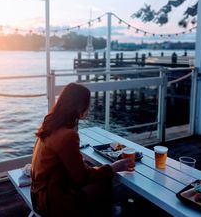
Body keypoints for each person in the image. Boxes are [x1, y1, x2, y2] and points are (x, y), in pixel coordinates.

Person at [31, 82, 134, 217]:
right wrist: (113, 167)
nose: (89, 108)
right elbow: (81, 178)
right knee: (104, 182)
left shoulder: (50, 125)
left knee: (98, 176)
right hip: (51, 201)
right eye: (88, 104)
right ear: (79, 107)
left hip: (39, 192)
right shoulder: (68, 135)